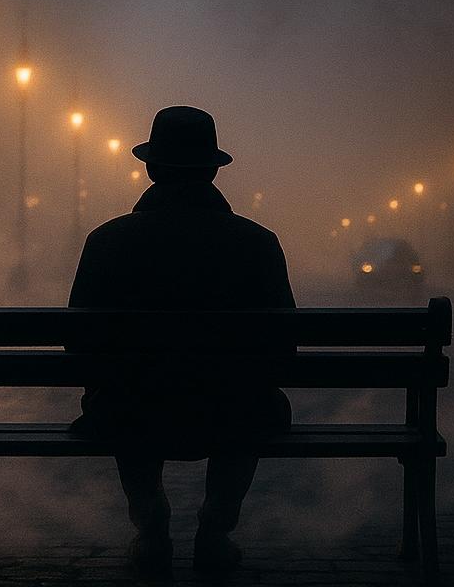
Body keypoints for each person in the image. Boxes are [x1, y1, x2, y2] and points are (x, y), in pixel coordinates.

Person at [68, 105, 295, 580]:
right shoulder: (257, 243)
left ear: (151, 168)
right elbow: (283, 349)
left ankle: (151, 526)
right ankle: (215, 530)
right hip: (232, 414)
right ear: (213, 170)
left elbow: (79, 345)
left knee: (120, 391)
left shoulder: (107, 241)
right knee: (254, 399)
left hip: (132, 411)